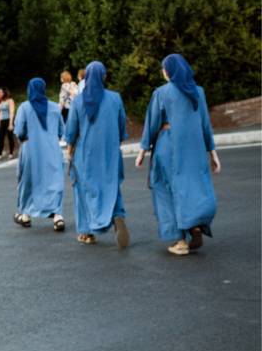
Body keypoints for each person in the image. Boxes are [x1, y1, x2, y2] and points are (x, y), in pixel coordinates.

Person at [135, 54, 221, 256]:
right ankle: (194, 225)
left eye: (164, 68)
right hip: (195, 148)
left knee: (164, 189)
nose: (163, 72)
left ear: (170, 71)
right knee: (191, 186)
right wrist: (213, 153)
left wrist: (142, 151)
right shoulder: (198, 92)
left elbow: (152, 123)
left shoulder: (162, 93)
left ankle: (181, 240)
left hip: (169, 147)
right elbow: (205, 125)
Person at [65, 61, 130, 247]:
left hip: (86, 153)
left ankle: (86, 232)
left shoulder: (78, 101)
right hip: (110, 152)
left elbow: (71, 131)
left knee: (84, 190)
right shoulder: (115, 98)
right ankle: (117, 215)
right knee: (112, 185)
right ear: (104, 77)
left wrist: (70, 153)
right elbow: (121, 129)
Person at [13, 78, 66, 231]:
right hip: (51, 149)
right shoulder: (55, 108)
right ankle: (57, 216)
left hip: (31, 150)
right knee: (54, 181)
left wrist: (24, 138)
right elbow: (61, 131)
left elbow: (19, 131)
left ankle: (26, 215)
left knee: (29, 181)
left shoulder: (24, 107)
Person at [0, 88, 16, 160]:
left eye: (0, 92)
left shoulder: (10, 101)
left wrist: (11, 124)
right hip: (2, 121)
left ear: (4, 93)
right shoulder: (1, 101)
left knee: (10, 137)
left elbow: (12, 112)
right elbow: (0, 112)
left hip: (8, 120)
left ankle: (11, 153)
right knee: (1, 138)